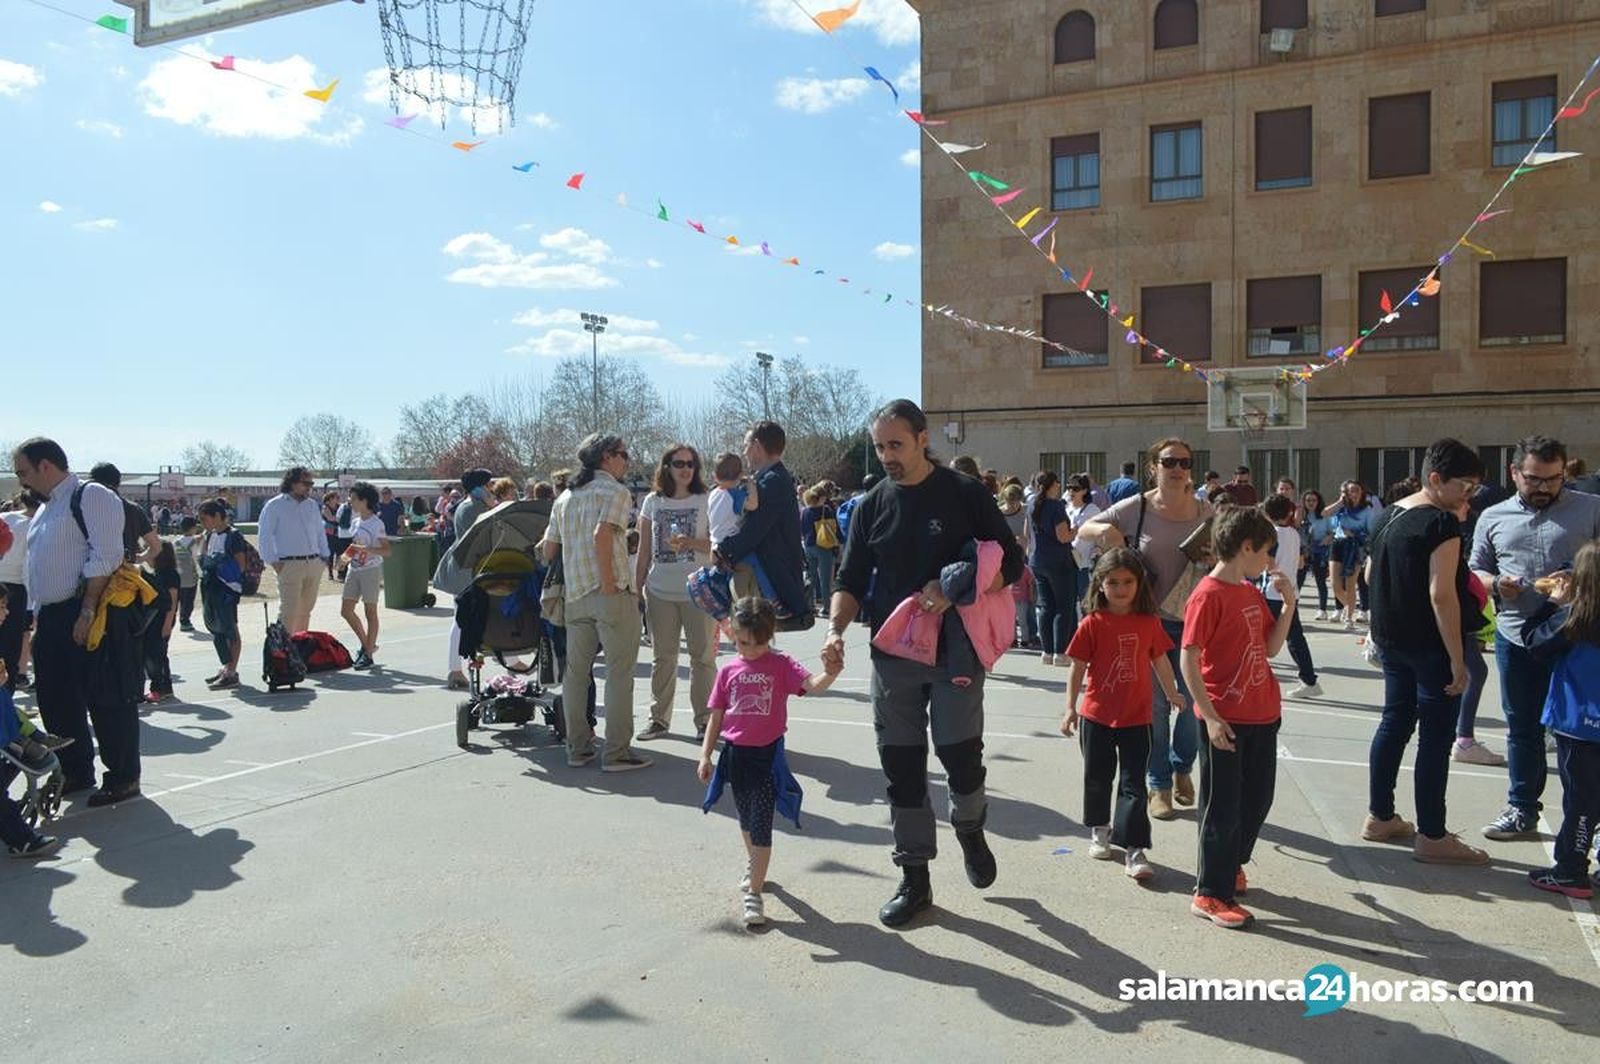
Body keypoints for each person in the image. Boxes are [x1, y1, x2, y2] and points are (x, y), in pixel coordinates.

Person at [825, 399, 1025, 929]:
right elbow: (849, 578)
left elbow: (1013, 562)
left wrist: (960, 587)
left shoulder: (964, 493)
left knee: (961, 757)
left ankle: (970, 829)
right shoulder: (871, 505)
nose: (886, 456)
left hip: (956, 650)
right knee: (901, 767)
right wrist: (834, 630)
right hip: (894, 656)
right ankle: (915, 877)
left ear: (922, 438)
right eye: (879, 447)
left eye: (896, 444)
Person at [1363, 439, 1491, 865]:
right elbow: (1442, 594)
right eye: (1465, 486)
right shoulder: (1440, 523)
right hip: (1429, 645)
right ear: (1435, 479)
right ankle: (1433, 835)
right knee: (1435, 740)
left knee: (1394, 722)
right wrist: (1457, 658)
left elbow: (1369, 574)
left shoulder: (1387, 515)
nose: (1469, 495)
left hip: (1392, 640)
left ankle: (1380, 815)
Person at [1471, 435, 1600, 842]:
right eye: (1534, 479)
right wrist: (1496, 584)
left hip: (1577, 640)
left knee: (1585, 733)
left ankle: (1591, 822)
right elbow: (1475, 570)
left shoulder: (1591, 509)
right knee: (1522, 727)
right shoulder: (1493, 516)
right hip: (1517, 636)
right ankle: (1522, 807)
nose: (1544, 487)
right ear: (1514, 473)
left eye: (1553, 479)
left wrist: (1580, 578)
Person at [1077, 438, 1213, 821]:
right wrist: (1108, 534)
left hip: (1194, 624)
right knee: (1156, 707)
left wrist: (1216, 554)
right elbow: (1084, 528)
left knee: (1192, 705)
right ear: (1154, 467)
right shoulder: (1136, 507)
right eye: (1169, 461)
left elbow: (1227, 553)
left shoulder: (1206, 511)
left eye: (1184, 462)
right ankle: (1159, 784)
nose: (1178, 468)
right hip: (1146, 623)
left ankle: (1182, 764)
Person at [1181, 506, 1296, 930]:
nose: (1269, 560)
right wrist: (1210, 718)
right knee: (1222, 807)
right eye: (1266, 551)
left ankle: (1231, 864)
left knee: (1258, 799)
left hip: (1262, 713)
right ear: (1246, 547)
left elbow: (1270, 648)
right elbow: (1189, 658)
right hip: (1225, 718)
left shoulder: (1249, 592)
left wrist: (1289, 605)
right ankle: (1210, 892)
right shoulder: (1208, 594)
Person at [12, 437, 141, 806]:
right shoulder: (47, 507)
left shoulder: (91, 495)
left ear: (45, 466)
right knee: (56, 699)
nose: (21, 480)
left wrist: (86, 610)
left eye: (23, 472)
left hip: (89, 610)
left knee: (106, 696)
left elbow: (107, 555)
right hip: (52, 615)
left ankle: (123, 777)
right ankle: (76, 770)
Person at [697, 596, 840, 927]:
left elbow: (812, 685)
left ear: (770, 636)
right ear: (733, 633)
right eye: (743, 643)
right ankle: (754, 863)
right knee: (746, 821)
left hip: (766, 758)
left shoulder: (781, 664)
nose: (750, 650)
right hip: (735, 757)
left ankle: (754, 894)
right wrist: (705, 754)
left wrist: (830, 673)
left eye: (758, 644)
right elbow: (716, 716)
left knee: (761, 826)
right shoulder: (728, 670)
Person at [1059, 548, 1182, 883]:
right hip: (1096, 717)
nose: (1121, 588)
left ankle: (1134, 848)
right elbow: (1077, 668)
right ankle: (1100, 829)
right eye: (1113, 582)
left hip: (1137, 719)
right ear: (1100, 584)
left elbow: (1160, 660)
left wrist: (1172, 692)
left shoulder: (1149, 623)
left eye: (1128, 581)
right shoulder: (1092, 623)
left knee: (1133, 784)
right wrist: (1070, 708)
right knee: (1097, 777)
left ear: (1139, 584)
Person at [544, 435, 650, 772]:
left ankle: (577, 747)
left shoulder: (565, 497)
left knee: (576, 675)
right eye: (624, 455)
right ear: (607, 456)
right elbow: (602, 535)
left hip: (575, 596)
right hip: (610, 592)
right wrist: (607, 583)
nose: (626, 461)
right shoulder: (615, 492)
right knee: (619, 674)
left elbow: (548, 549)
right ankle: (617, 752)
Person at [1521, 543, 1600, 898]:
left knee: (1581, 800)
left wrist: (1553, 601)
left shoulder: (1575, 618)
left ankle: (1571, 869)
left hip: (1580, 723)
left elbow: (1532, 641)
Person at [634, 445, 716, 743]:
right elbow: (644, 550)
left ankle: (705, 722)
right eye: (679, 463)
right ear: (667, 466)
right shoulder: (652, 501)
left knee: (702, 659)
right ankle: (658, 720)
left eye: (691, 464)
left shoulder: (706, 499)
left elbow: (718, 545)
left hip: (699, 591)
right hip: (659, 592)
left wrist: (690, 542)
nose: (686, 469)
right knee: (663, 658)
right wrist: (637, 588)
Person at [716, 423, 810, 623]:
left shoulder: (772, 481)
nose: (744, 452)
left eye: (746, 445)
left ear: (757, 445)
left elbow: (754, 531)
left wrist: (721, 550)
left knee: (753, 637)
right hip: (766, 575)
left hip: (770, 578)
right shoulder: (771, 478)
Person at [257, 467, 329, 634]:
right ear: (292, 483)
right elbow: (265, 535)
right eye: (306, 483)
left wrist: (324, 557)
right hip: (289, 564)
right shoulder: (274, 505)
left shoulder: (312, 505)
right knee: (288, 612)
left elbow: (320, 532)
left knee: (305, 612)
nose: (309, 487)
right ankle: (283, 648)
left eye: (311, 484)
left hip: (314, 563)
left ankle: (299, 645)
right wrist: (273, 562)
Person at [1262, 494, 1321, 699]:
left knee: (1258, 637)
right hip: (1290, 592)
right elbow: (1300, 563)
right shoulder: (1294, 534)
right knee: (1295, 638)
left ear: (1267, 514)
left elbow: (1268, 561)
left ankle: (1255, 679)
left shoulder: (1272, 534)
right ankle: (1309, 679)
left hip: (1273, 592)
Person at [444, 469, 496, 688]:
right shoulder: (471, 508)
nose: (491, 488)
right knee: (461, 619)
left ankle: (458, 667)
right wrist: (492, 508)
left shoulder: (472, 506)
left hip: (469, 568)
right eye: (488, 485)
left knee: (465, 618)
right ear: (478, 487)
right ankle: (454, 669)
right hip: (466, 569)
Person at [1028, 472, 1078, 666]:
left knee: (1046, 606)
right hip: (1058, 561)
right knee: (1063, 607)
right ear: (1053, 485)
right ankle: (1060, 652)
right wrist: (1075, 531)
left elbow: (1026, 533)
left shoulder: (1032, 504)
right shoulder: (1056, 506)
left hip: (1037, 560)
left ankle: (1047, 651)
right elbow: (1063, 536)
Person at [198, 498, 248, 690]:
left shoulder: (234, 536)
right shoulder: (210, 535)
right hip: (210, 587)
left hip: (226, 590)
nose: (203, 523)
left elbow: (240, 565)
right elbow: (204, 558)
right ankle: (226, 667)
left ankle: (231, 672)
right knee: (216, 629)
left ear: (217, 516)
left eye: (205, 519)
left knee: (230, 629)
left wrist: (223, 572)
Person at [339, 482, 390, 671]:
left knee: (370, 612)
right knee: (346, 610)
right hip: (354, 569)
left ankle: (367, 654)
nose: (350, 501)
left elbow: (387, 550)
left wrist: (368, 549)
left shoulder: (377, 524)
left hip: (371, 570)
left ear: (364, 501)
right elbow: (355, 545)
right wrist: (344, 559)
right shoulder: (355, 522)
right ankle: (367, 645)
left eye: (353, 498)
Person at [1327, 480, 1378, 631]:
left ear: (1361, 493)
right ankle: (1350, 606)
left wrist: (1356, 534)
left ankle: (1349, 618)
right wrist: (1340, 501)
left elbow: (1372, 533)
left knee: (1350, 584)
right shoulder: (1341, 508)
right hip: (1338, 544)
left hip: (1356, 547)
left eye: (1356, 490)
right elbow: (1324, 513)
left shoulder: (1367, 510)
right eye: (1350, 491)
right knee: (1335, 585)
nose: (1353, 494)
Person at [89, 463, 162, 563]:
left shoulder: (85, 508)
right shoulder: (133, 509)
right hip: (124, 567)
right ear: (118, 483)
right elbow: (156, 546)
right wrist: (140, 558)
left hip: (91, 566)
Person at [0, 491, 36, 690]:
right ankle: (6, 693)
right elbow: (28, 569)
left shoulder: (4, 517)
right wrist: (32, 607)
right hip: (15, 589)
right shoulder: (34, 526)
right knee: (10, 647)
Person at [141, 541, 180, 704]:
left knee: (157, 655)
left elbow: (173, 601)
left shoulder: (170, 574)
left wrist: (167, 624)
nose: (147, 553)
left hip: (163, 619)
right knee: (155, 653)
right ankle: (163, 688)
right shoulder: (158, 573)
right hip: (155, 620)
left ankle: (160, 688)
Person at [800, 484, 838, 614]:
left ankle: (810, 605)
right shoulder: (825, 510)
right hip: (823, 546)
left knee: (811, 577)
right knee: (825, 578)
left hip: (808, 546)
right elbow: (834, 528)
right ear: (821, 497)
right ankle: (826, 606)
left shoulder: (804, 511)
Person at [1298, 491, 1332, 620]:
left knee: (1320, 581)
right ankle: (1293, 607)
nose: (1311, 503)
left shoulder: (1324, 515)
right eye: (1308, 500)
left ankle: (1322, 609)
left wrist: (1328, 538)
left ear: (1318, 502)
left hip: (1320, 550)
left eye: (1314, 500)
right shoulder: (1300, 515)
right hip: (1304, 551)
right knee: (1299, 581)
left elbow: (1332, 532)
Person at [171, 515, 201, 632]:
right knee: (188, 601)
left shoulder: (176, 542)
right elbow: (195, 559)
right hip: (190, 578)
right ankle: (185, 622)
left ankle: (171, 621)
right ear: (192, 528)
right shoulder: (194, 542)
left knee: (176, 600)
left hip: (177, 576)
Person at [321, 491, 343, 581]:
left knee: (340, 553)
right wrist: (341, 518)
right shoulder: (325, 507)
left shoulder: (340, 507)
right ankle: (330, 573)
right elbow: (330, 518)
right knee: (330, 553)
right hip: (329, 533)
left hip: (339, 532)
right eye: (336, 497)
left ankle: (340, 573)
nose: (338, 499)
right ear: (330, 499)